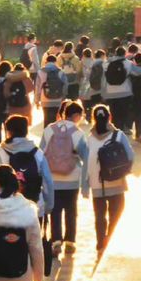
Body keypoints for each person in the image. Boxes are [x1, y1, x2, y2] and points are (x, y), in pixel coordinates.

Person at [83, 105, 135, 255]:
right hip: (117, 182)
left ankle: (100, 242)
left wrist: (85, 185)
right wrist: (126, 170)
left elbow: (86, 162)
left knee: (99, 216)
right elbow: (130, 156)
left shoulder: (90, 138)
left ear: (93, 118)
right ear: (109, 117)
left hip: (96, 184)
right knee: (116, 213)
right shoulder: (118, 135)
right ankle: (110, 238)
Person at [40, 101, 89, 256]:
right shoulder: (78, 133)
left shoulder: (49, 129)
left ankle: (56, 241)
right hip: (72, 179)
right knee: (71, 210)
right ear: (76, 115)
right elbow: (85, 157)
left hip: (52, 179)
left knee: (54, 210)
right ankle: (70, 242)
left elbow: (41, 153)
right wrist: (85, 184)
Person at [0, 115, 55, 222]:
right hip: (34, 205)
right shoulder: (37, 152)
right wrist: (49, 205)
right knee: (34, 238)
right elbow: (47, 180)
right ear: (26, 130)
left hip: (9, 207)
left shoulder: (2, 151)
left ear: (8, 131)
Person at [103, 46, 134, 134]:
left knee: (113, 110)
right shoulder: (129, 63)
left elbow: (105, 77)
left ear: (116, 53)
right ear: (125, 54)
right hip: (125, 91)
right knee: (124, 110)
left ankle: (114, 127)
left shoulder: (107, 63)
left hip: (111, 91)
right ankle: (124, 127)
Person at [35, 54, 69, 127]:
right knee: (56, 119)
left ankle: (47, 134)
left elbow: (37, 87)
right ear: (55, 61)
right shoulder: (61, 72)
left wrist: (37, 100)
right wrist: (63, 97)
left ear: (46, 61)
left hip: (45, 99)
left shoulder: (41, 72)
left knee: (46, 118)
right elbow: (65, 85)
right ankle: (55, 135)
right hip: (57, 99)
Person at [79, 47, 95, 121]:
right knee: (91, 99)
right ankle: (90, 113)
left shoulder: (81, 62)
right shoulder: (94, 62)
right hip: (92, 82)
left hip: (83, 82)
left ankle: (86, 112)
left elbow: (79, 73)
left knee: (84, 99)